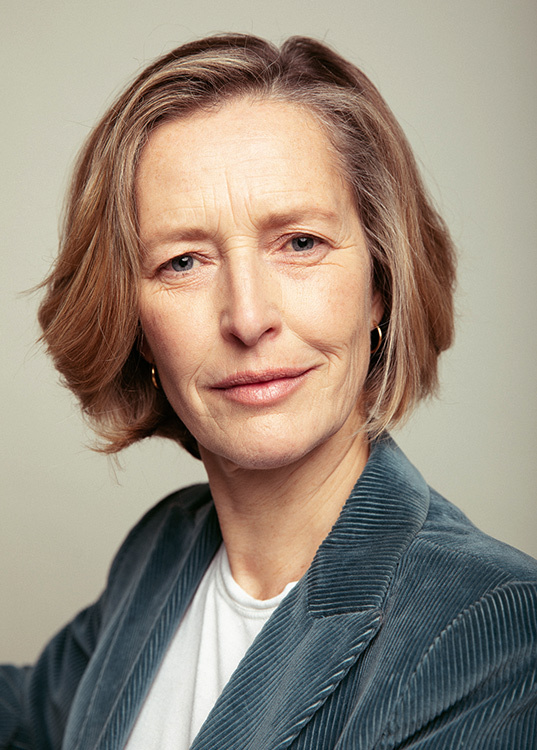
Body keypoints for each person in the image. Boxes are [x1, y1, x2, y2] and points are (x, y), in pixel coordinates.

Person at [1, 33, 536, 750]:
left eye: (300, 243)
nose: (248, 318)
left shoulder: (492, 628)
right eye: (183, 261)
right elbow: (32, 714)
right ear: (136, 325)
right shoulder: (166, 547)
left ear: (378, 287)